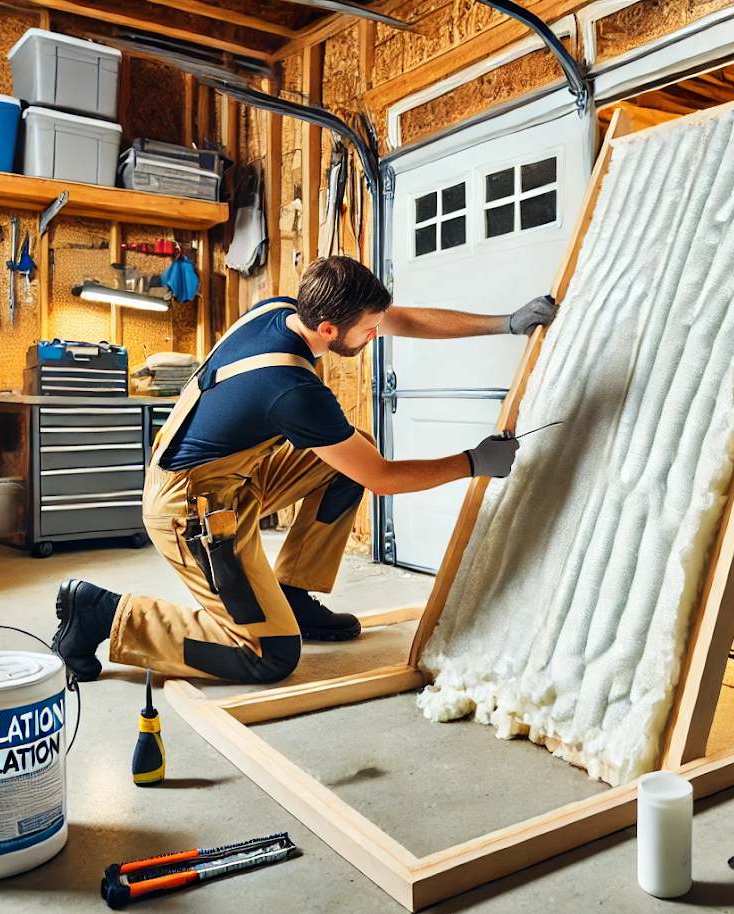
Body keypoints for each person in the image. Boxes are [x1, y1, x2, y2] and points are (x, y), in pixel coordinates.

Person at [50, 255, 557, 684]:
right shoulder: (294, 390)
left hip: (230, 478)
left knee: (350, 453)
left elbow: (399, 319)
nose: (377, 336)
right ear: (331, 330)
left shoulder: (286, 310)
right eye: (369, 331)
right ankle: (103, 613)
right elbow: (380, 479)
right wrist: (473, 463)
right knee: (268, 656)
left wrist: (504, 323)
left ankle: (291, 591)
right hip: (189, 510)